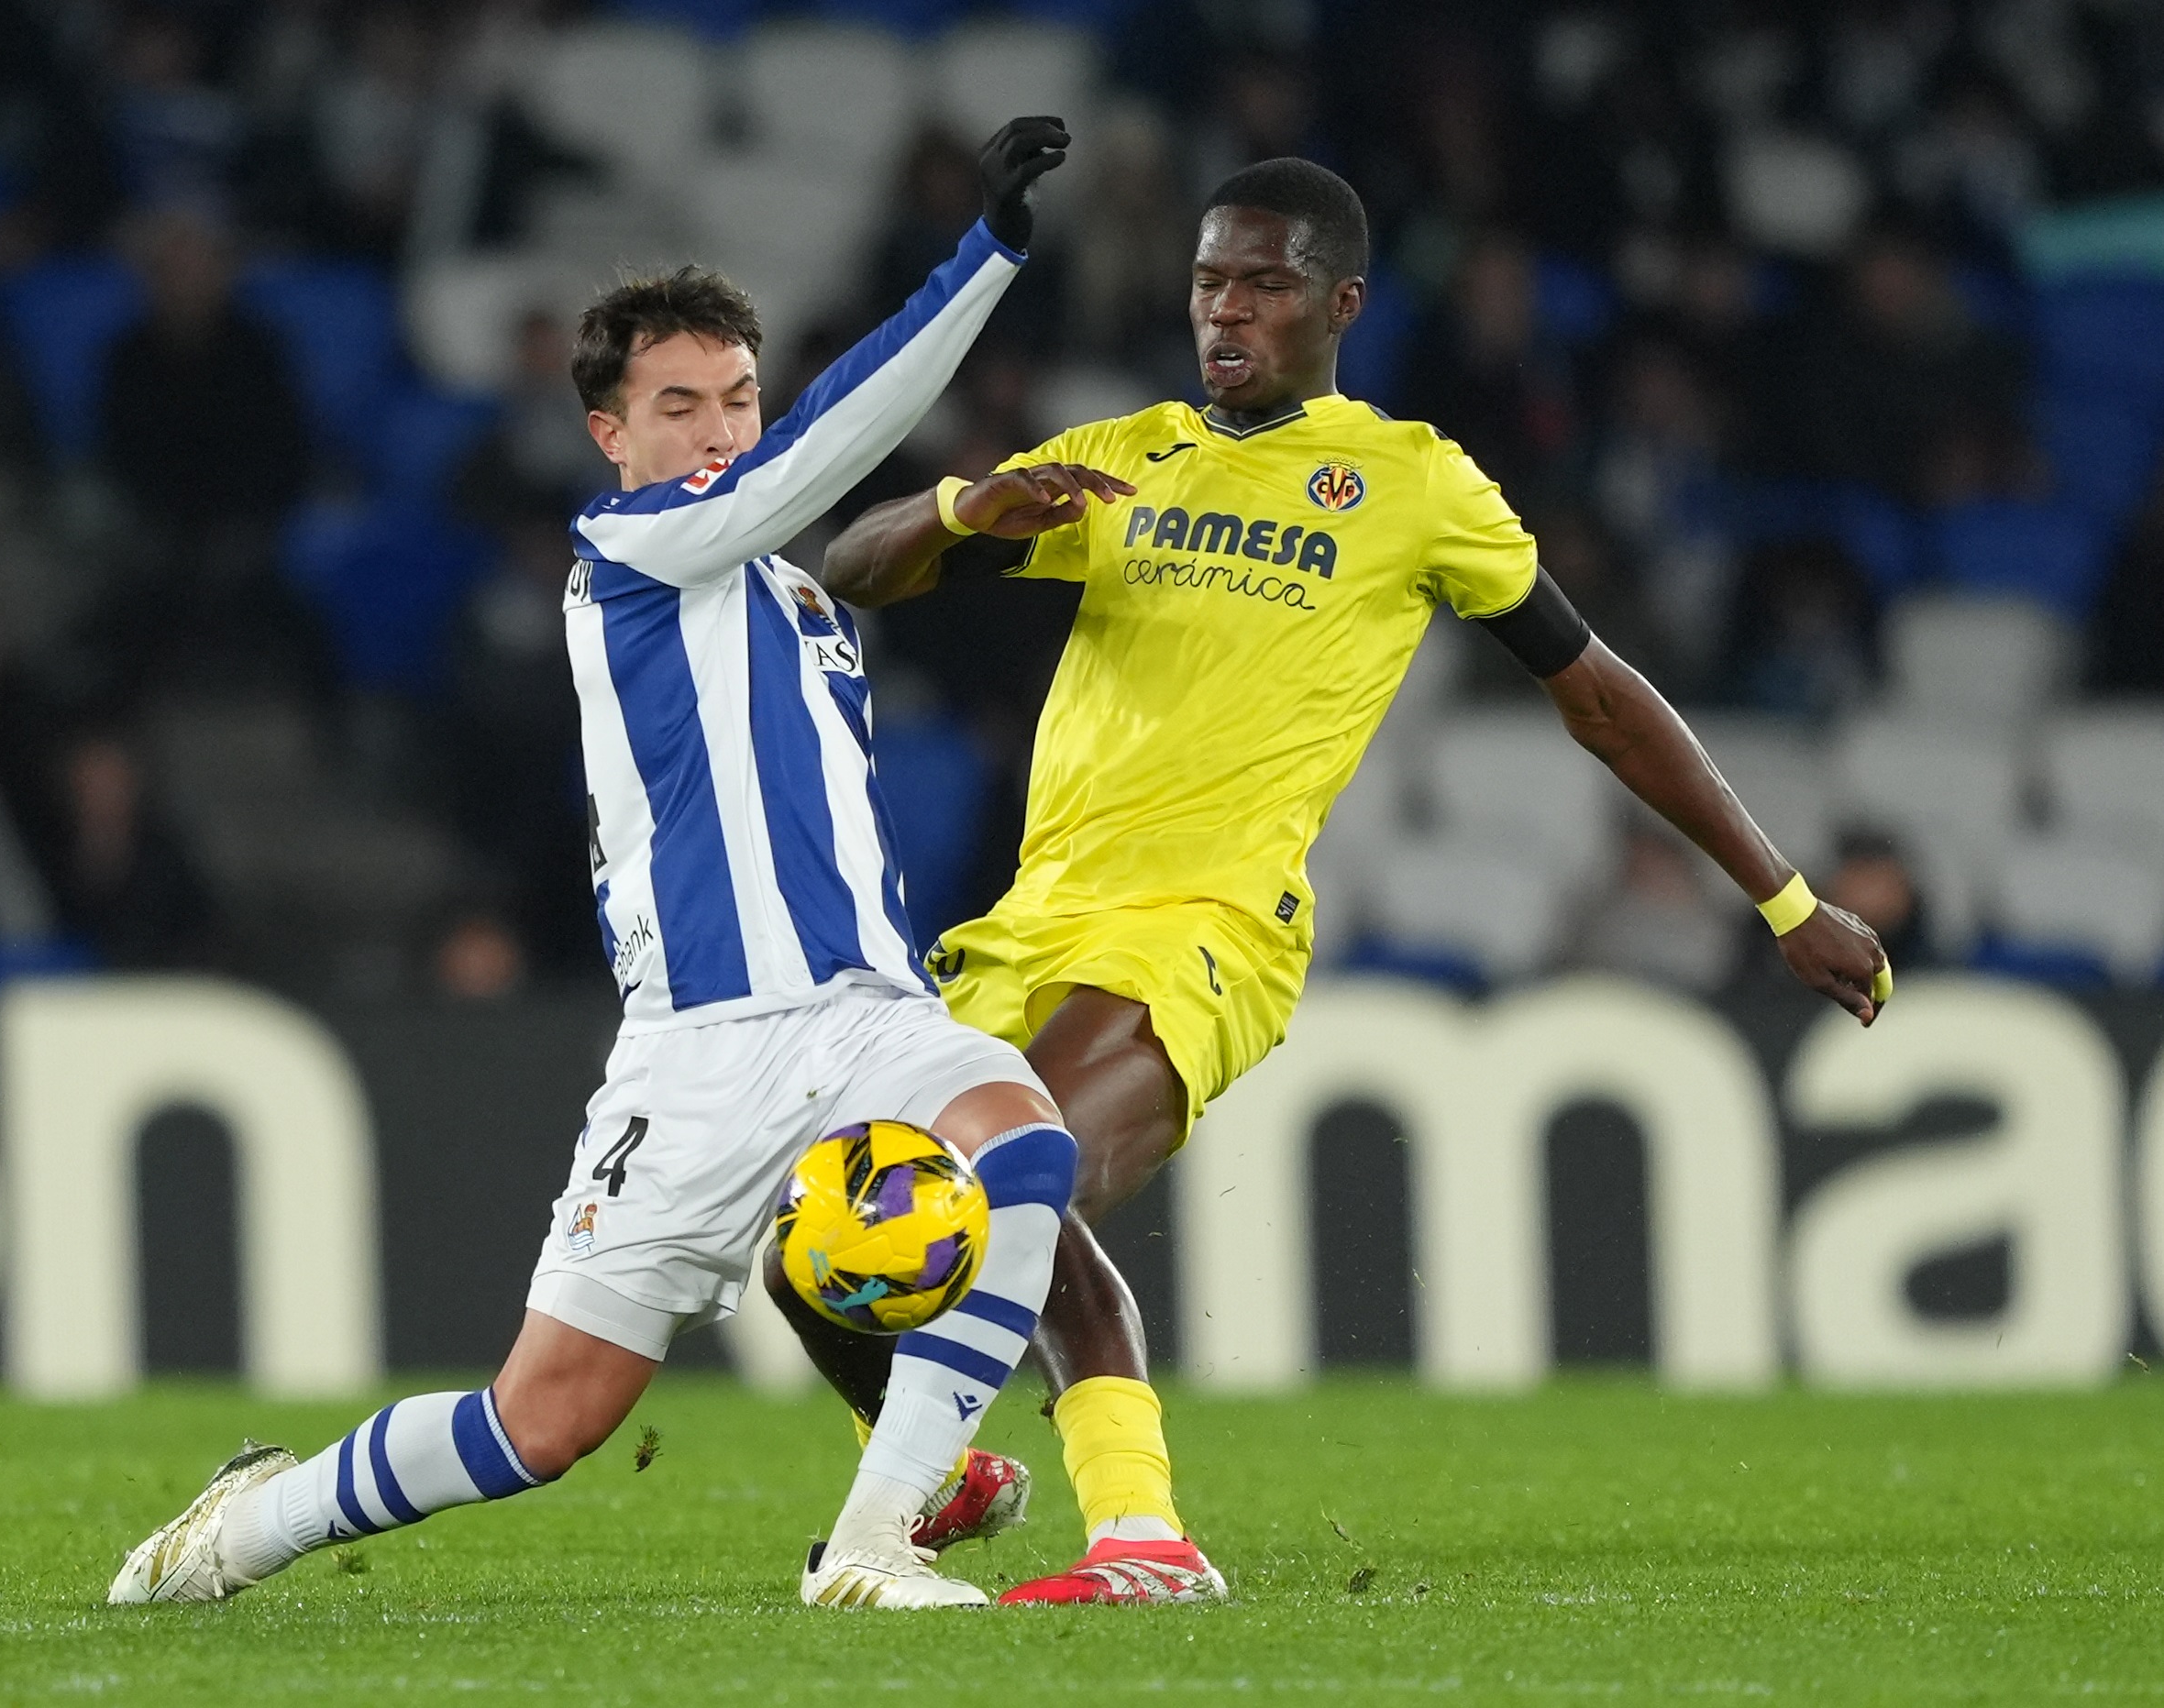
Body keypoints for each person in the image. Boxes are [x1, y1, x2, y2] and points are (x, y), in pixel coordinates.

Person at [786, 157, 1894, 1605]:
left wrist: (1787, 900)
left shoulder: (1412, 483)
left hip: (1208, 923)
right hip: (1029, 921)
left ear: (1339, 303)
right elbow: (847, 571)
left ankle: (1143, 1542)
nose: (1224, 310)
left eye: (1261, 283)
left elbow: (1601, 696)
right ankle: (936, 1466)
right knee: (818, 1236)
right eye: (1205, 282)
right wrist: (962, 509)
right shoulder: (1125, 456)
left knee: (1016, 1190)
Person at [107, 118, 1078, 1614]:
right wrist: (984, 256)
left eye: (736, 400)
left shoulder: (796, 600)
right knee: (541, 1423)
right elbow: (831, 448)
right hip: (696, 1057)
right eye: (677, 405)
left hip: (862, 1014)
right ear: (609, 436)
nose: (716, 430)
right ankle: (246, 1525)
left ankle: (880, 1537)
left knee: (1022, 1143)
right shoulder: (627, 549)